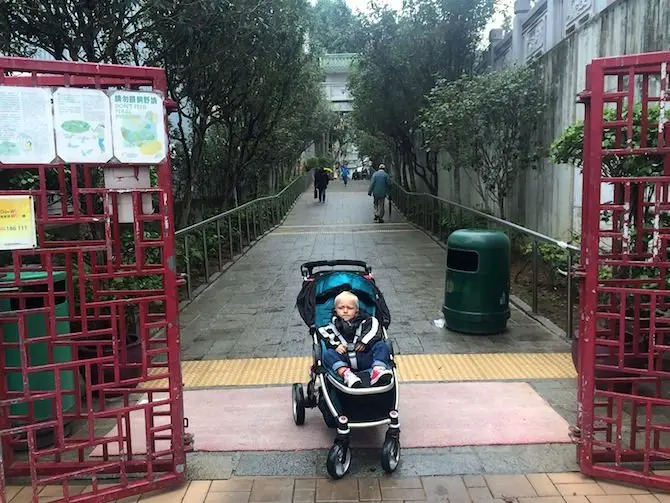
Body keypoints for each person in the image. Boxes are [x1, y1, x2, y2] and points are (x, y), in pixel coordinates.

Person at [318, 291, 393, 388]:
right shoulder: (331, 326)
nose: (345, 311)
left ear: (356, 310)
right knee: (328, 354)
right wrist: (336, 345)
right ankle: (346, 374)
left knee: (382, 346)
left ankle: (377, 370)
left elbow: (374, 329)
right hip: (345, 360)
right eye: (341, 308)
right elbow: (323, 332)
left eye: (349, 308)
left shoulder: (367, 321)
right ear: (336, 310)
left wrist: (364, 342)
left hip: (365, 356)